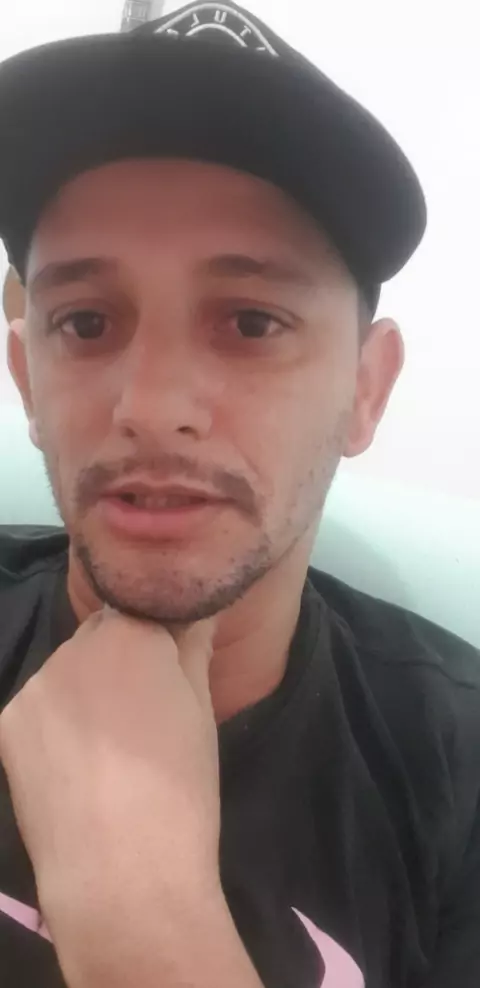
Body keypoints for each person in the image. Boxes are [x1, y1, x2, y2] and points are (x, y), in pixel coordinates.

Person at [0, 2, 478, 986]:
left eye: (252, 322)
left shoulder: (458, 776)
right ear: (26, 378)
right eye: (85, 322)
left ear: (366, 388)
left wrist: (139, 921)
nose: (150, 408)